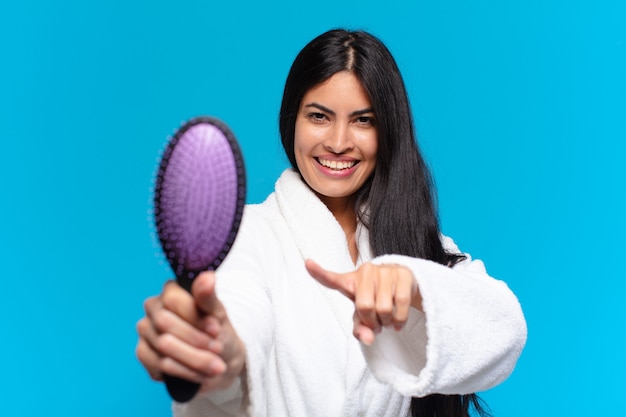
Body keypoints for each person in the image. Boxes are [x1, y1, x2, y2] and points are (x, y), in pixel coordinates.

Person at [136, 29, 527, 417]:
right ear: (292, 120)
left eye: (363, 120)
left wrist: (413, 285)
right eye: (319, 116)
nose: (339, 142)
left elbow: (504, 330)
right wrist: (220, 349)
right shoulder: (249, 235)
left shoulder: (419, 246)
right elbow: (239, 311)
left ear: (388, 131)